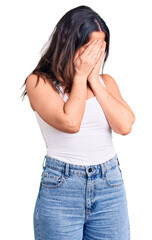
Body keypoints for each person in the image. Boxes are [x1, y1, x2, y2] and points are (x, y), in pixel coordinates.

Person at [20, 5, 135, 240]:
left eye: (100, 47)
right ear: (70, 44)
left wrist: (94, 79)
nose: (95, 55)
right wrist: (81, 75)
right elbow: (71, 122)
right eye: (89, 47)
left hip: (109, 186)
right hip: (62, 189)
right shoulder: (38, 82)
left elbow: (124, 126)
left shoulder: (105, 82)